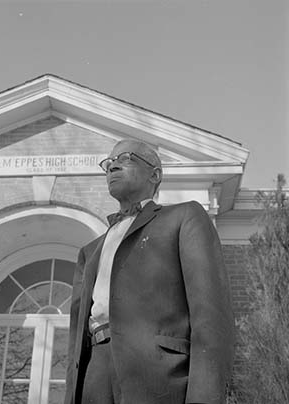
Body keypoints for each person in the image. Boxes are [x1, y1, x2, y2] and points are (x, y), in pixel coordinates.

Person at [64, 139, 234, 404]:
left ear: (155, 174)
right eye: (108, 163)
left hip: (159, 377)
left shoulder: (184, 217)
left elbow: (210, 319)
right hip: (94, 377)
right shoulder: (90, 251)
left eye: (125, 158)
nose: (113, 166)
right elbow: (76, 338)